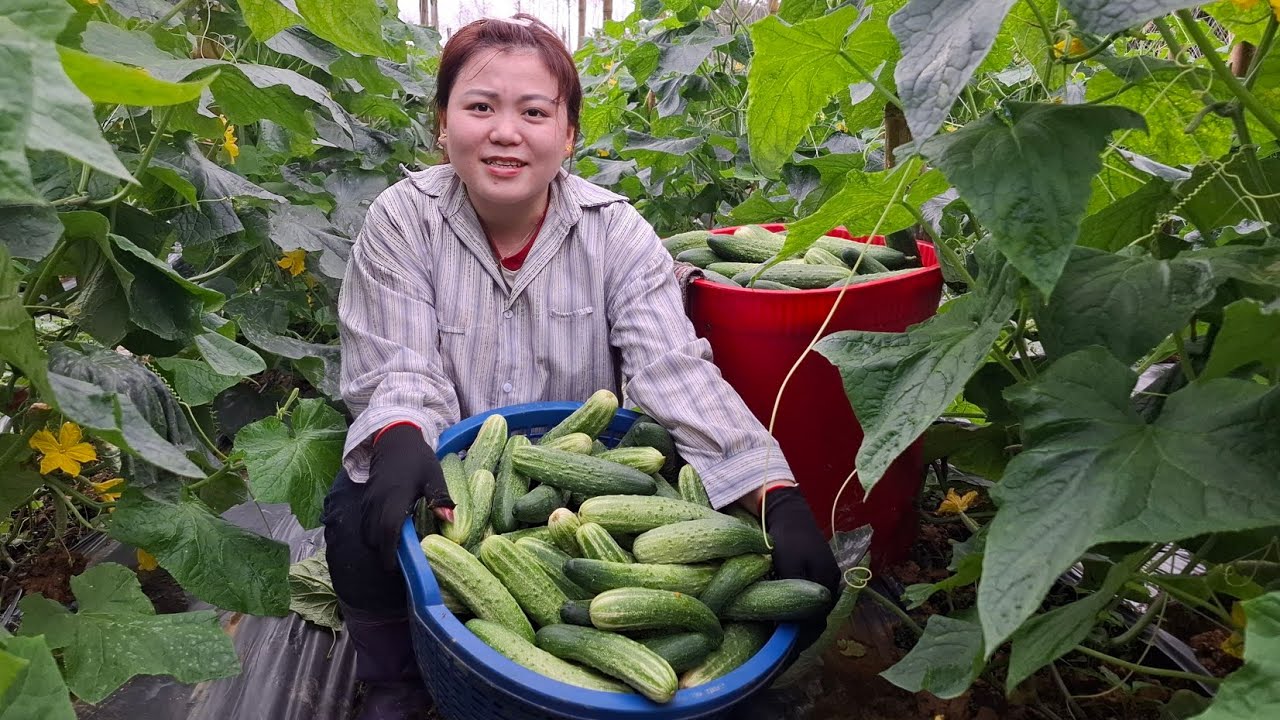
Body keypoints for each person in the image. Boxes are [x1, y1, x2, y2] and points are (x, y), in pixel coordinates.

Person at [322, 14, 841, 720]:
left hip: (578, 464)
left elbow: (671, 368)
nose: (506, 132)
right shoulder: (402, 220)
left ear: (567, 136)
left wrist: (769, 488)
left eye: (534, 112)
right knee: (356, 507)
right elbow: (402, 364)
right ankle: (396, 681)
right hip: (452, 475)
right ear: (442, 125)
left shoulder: (616, 231)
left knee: (709, 510)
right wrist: (403, 435)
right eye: (480, 107)